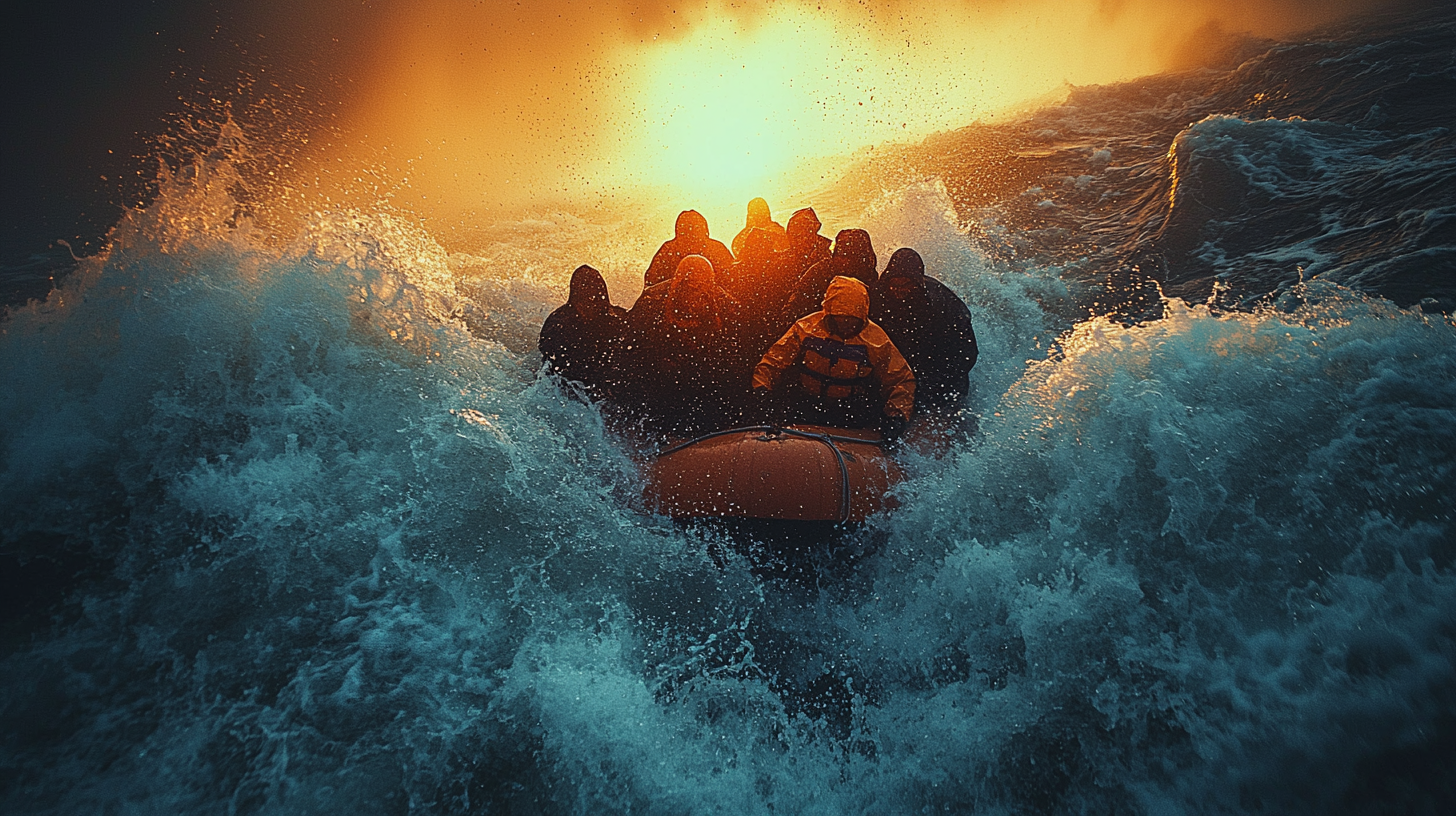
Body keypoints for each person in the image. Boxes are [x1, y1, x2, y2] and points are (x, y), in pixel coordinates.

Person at [752, 276, 915, 436]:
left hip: (850, 412)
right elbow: (775, 359)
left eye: (851, 320)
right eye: (840, 319)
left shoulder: (877, 341)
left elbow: (900, 379)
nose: (845, 325)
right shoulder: (805, 328)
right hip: (806, 404)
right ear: (829, 313)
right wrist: (762, 388)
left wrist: (896, 416)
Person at [626, 255, 749, 435]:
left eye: (702, 284)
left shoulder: (723, 303)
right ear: (681, 280)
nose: (696, 288)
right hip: (661, 377)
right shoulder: (653, 300)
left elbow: (737, 346)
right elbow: (632, 346)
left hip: (703, 377)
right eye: (691, 284)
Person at [870, 248, 979, 413]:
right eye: (894, 284)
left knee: (937, 397)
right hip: (897, 368)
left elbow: (966, 352)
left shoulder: (942, 303)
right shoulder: (878, 295)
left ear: (916, 281)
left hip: (936, 369)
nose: (898, 290)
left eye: (905, 285)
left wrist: (932, 381)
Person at [538, 264, 628, 399]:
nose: (596, 303)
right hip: (568, 384)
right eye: (590, 297)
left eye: (599, 296)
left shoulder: (617, 318)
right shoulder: (559, 325)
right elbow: (552, 369)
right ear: (577, 300)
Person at [781, 228, 877, 326]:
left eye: (848, 255)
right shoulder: (822, 270)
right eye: (840, 253)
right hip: (814, 325)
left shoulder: (867, 275)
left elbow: (874, 314)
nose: (843, 261)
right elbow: (797, 300)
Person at [642, 210, 736, 289]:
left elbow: (733, 279)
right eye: (687, 231)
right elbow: (650, 284)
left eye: (695, 230)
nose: (692, 236)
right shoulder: (668, 250)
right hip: (675, 301)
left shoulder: (717, 249)